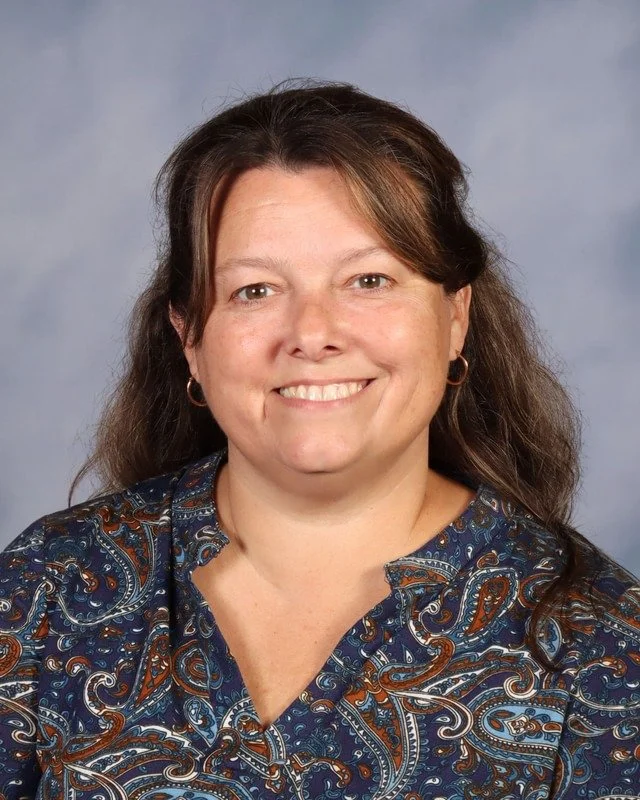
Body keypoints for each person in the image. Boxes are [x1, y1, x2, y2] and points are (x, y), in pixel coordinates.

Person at [1, 81, 638, 800]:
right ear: (189, 338)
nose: (311, 334)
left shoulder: (604, 650)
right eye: (255, 291)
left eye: (368, 280)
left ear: (455, 316)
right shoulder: (46, 589)